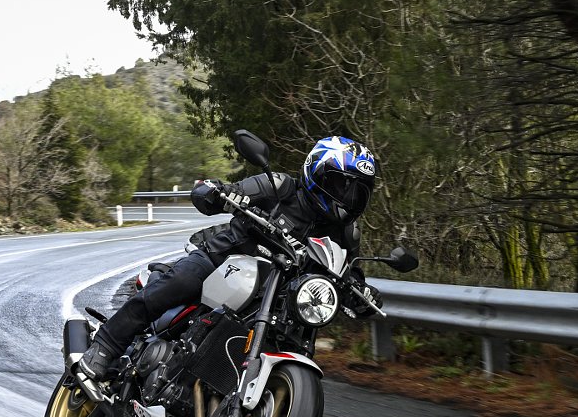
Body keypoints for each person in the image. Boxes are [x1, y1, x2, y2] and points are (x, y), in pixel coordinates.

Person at [77, 135, 382, 381]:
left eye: (357, 192)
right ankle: (106, 346)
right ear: (316, 172)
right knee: (181, 280)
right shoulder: (280, 187)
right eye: (341, 185)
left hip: (279, 298)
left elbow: (349, 274)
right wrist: (217, 192)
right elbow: (225, 193)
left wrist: (362, 293)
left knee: (298, 336)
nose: (347, 198)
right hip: (224, 259)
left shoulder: (347, 234)